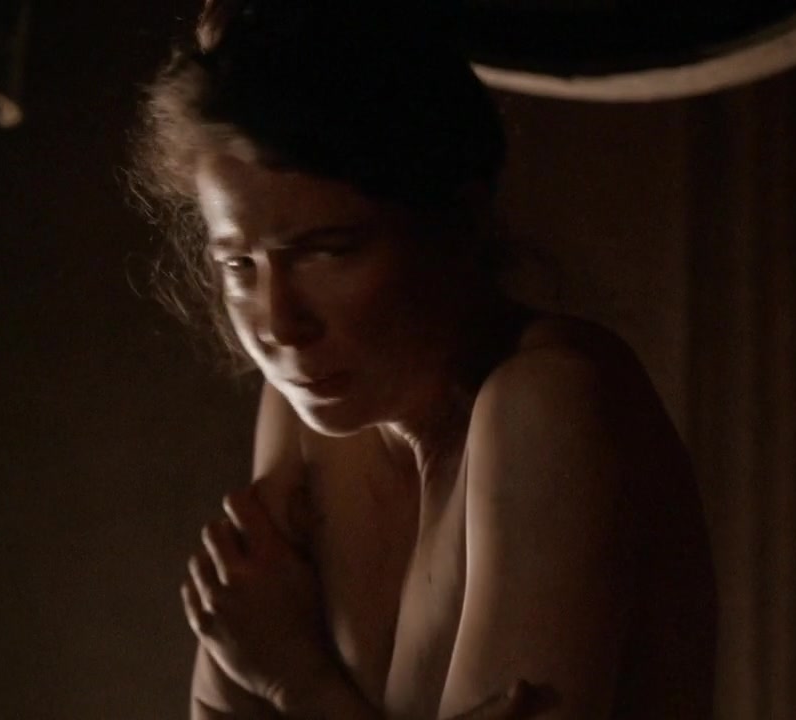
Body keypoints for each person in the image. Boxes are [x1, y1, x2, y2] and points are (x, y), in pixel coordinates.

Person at [130, 1, 717, 718]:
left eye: (327, 251)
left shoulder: (547, 406)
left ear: (458, 222)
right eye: (239, 266)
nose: (279, 324)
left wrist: (295, 679)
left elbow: (255, 677)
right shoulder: (306, 414)